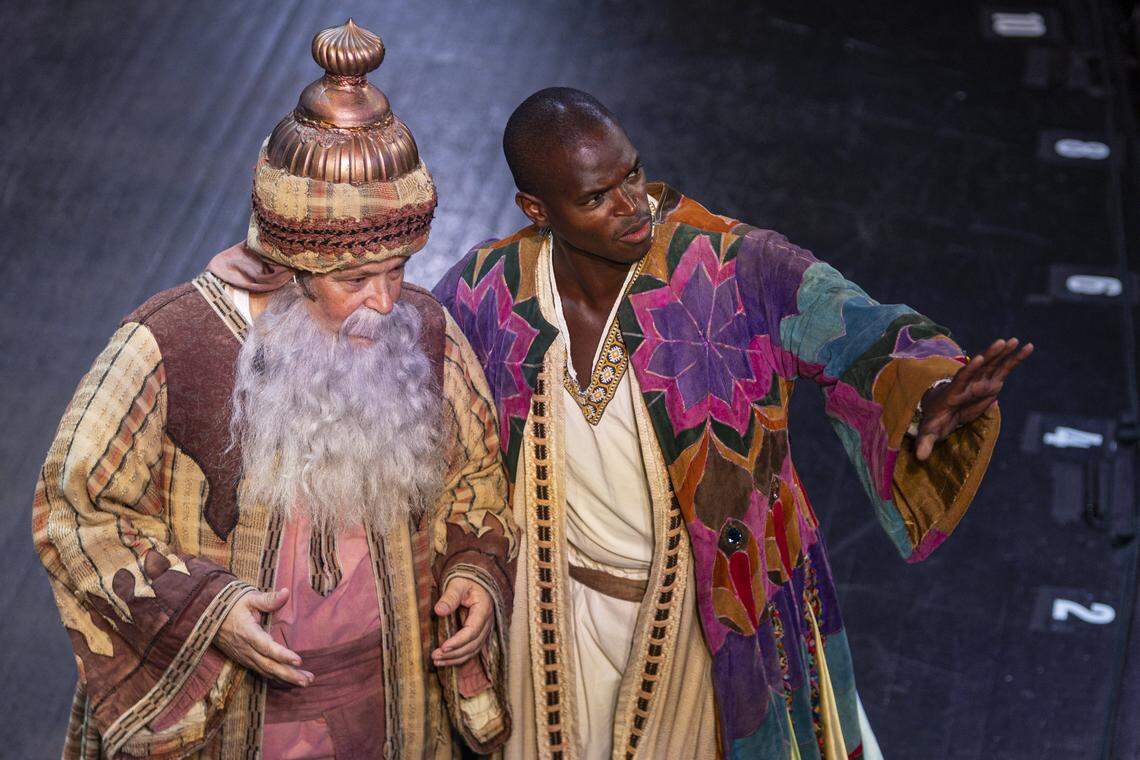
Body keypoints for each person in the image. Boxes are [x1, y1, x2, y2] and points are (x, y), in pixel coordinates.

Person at [433, 87, 1032, 759]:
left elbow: (856, 326)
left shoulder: (729, 266)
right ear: (537, 210)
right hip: (551, 625)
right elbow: (417, 388)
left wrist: (930, 391)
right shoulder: (489, 288)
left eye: (631, 174)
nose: (632, 206)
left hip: (711, 619)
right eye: (597, 198)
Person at [33, 21, 514, 759]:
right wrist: (207, 610)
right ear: (287, 263)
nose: (386, 302)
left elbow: (476, 479)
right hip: (232, 716)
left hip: (393, 706)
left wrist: (475, 574)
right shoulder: (174, 340)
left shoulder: (425, 329)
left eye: (398, 270)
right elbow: (75, 509)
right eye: (355, 279)